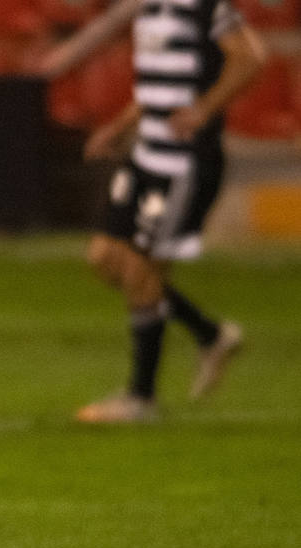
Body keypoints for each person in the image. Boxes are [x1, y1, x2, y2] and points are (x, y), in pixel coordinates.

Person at [76, 0, 266, 423]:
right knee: (106, 259)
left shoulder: (206, 7)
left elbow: (251, 57)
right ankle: (210, 335)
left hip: (183, 165)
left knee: (142, 271)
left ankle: (141, 398)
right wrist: (119, 128)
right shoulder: (149, 9)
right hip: (145, 157)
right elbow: (153, 91)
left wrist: (202, 109)